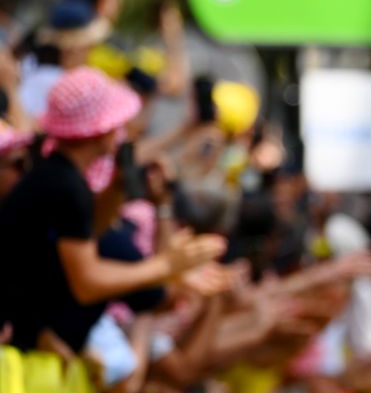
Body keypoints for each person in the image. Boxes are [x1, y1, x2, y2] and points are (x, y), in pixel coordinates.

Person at [0, 67, 225, 354]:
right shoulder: (65, 185)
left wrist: (119, 182)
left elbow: (92, 229)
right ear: (101, 130)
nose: (123, 131)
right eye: (117, 122)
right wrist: (164, 266)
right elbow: (88, 282)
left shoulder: (59, 176)